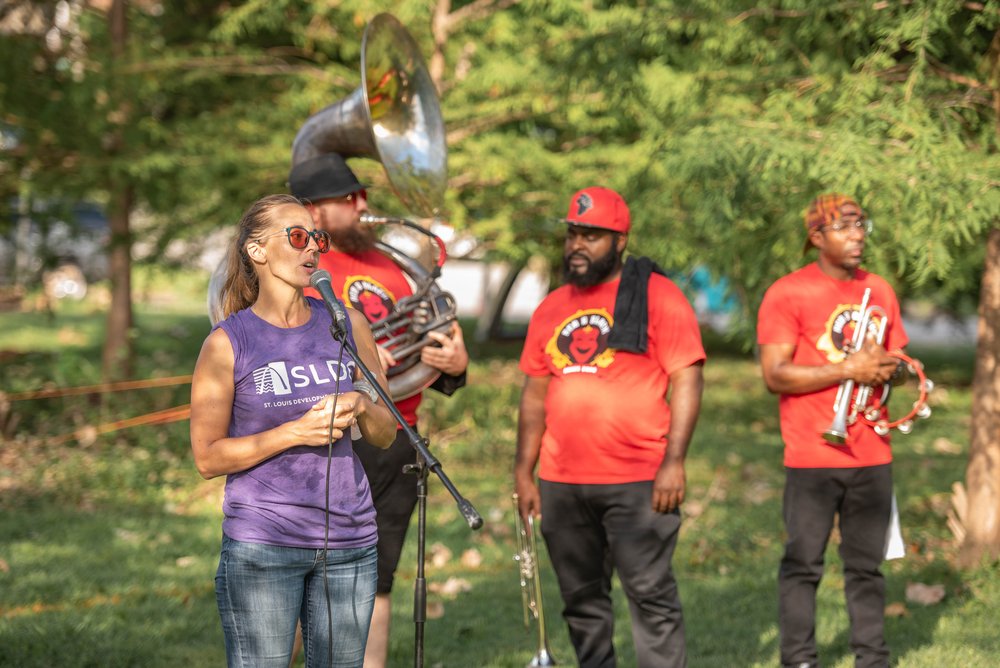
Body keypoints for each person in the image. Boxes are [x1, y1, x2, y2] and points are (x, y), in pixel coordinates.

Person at [189, 194, 397, 667]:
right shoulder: (227, 343)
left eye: (317, 239)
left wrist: (363, 403)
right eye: (298, 237)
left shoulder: (347, 324)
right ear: (256, 251)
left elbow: (385, 435)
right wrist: (294, 432)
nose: (313, 249)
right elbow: (207, 458)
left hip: (350, 542)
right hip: (264, 542)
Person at [289, 153, 469, 668]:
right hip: (327, 440)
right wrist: (354, 358)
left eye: (361, 194)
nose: (362, 204)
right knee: (304, 575)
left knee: (379, 578)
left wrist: (454, 362)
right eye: (348, 199)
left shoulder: (387, 265)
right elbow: (277, 347)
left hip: (397, 440)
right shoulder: (297, 268)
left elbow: (422, 337)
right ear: (312, 210)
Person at [514, 186, 705, 668]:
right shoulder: (551, 306)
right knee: (581, 603)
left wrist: (674, 462)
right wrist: (523, 470)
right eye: (573, 233)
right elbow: (535, 394)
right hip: (561, 482)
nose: (577, 244)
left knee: (650, 598)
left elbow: (687, 377)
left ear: (621, 241)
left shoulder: (659, 296)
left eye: (592, 236)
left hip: (638, 480)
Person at [757, 193, 908, 668]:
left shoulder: (880, 290)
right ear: (816, 237)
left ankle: (873, 658)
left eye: (861, 224)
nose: (857, 234)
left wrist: (892, 371)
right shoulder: (788, 292)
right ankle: (799, 659)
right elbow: (775, 375)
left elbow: (898, 362)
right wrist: (850, 370)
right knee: (803, 565)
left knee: (867, 568)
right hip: (812, 453)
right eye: (843, 227)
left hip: (872, 452)